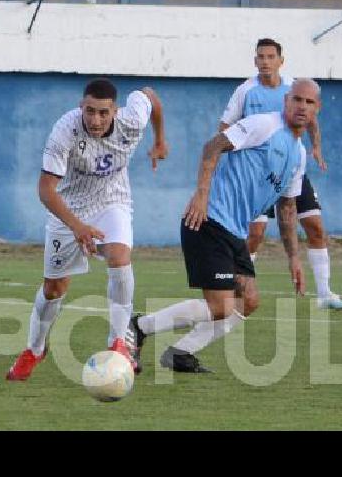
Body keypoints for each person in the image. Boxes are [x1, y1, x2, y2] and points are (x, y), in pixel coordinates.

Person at [126, 79, 315, 374]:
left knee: (248, 301)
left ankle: (180, 353)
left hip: (234, 231)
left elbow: (288, 207)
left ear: (317, 109)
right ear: (286, 101)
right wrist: (201, 195)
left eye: (309, 102)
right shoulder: (264, 125)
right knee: (221, 306)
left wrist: (294, 257)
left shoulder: (299, 155)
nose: (302, 106)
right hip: (208, 219)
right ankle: (139, 326)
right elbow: (213, 145)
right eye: (297, 100)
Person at [6, 78, 168, 381]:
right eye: (90, 111)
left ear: (115, 111)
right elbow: (45, 190)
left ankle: (118, 343)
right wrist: (78, 226)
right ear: (81, 107)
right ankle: (35, 349)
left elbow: (151, 96)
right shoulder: (65, 131)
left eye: (103, 113)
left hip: (112, 200)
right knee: (54, 289)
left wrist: (160, 140)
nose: (95, 120)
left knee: (120, 257)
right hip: (67, 209)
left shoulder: (132, 119)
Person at [219, 38, 342, 311]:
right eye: (261, 57)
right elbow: (224, 128)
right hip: (258, 176)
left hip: (290, 167)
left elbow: (311, 118)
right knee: (255, 234)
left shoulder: (294, 88)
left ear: (281, 60)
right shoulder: (246, 91)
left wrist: (316, 146)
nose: (265, 61)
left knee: (315, 226)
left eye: (270, 56)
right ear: (255, 61)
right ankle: (239, 286)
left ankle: (324, 293)